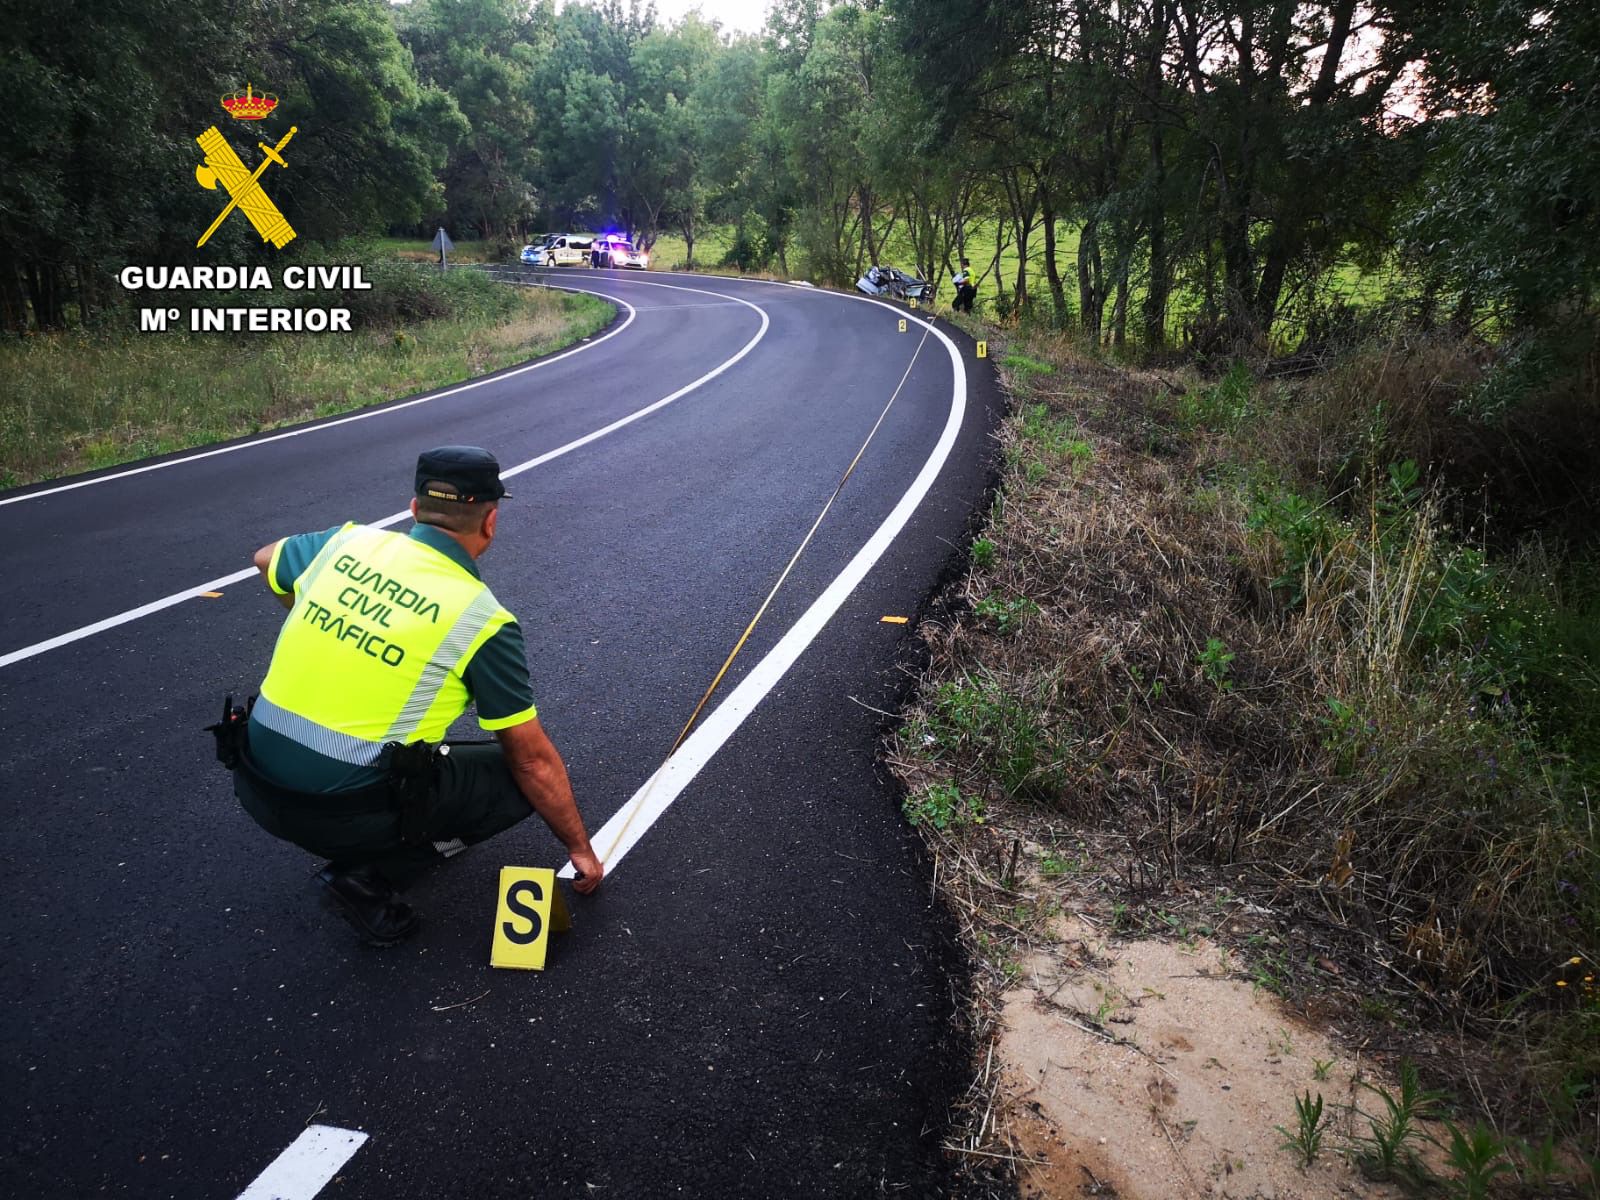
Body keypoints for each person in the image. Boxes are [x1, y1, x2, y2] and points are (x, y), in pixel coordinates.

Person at [228, 445, 604, 946]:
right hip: (333, 816)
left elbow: (265, 557)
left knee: (435, 759)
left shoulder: (347, 544)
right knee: (518, 780)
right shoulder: (479, 619)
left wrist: (320, 614)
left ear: (413, 509)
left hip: (253, 783)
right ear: (490, 522)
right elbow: (533, 762)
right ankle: (370, 878)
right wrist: (579, 847)